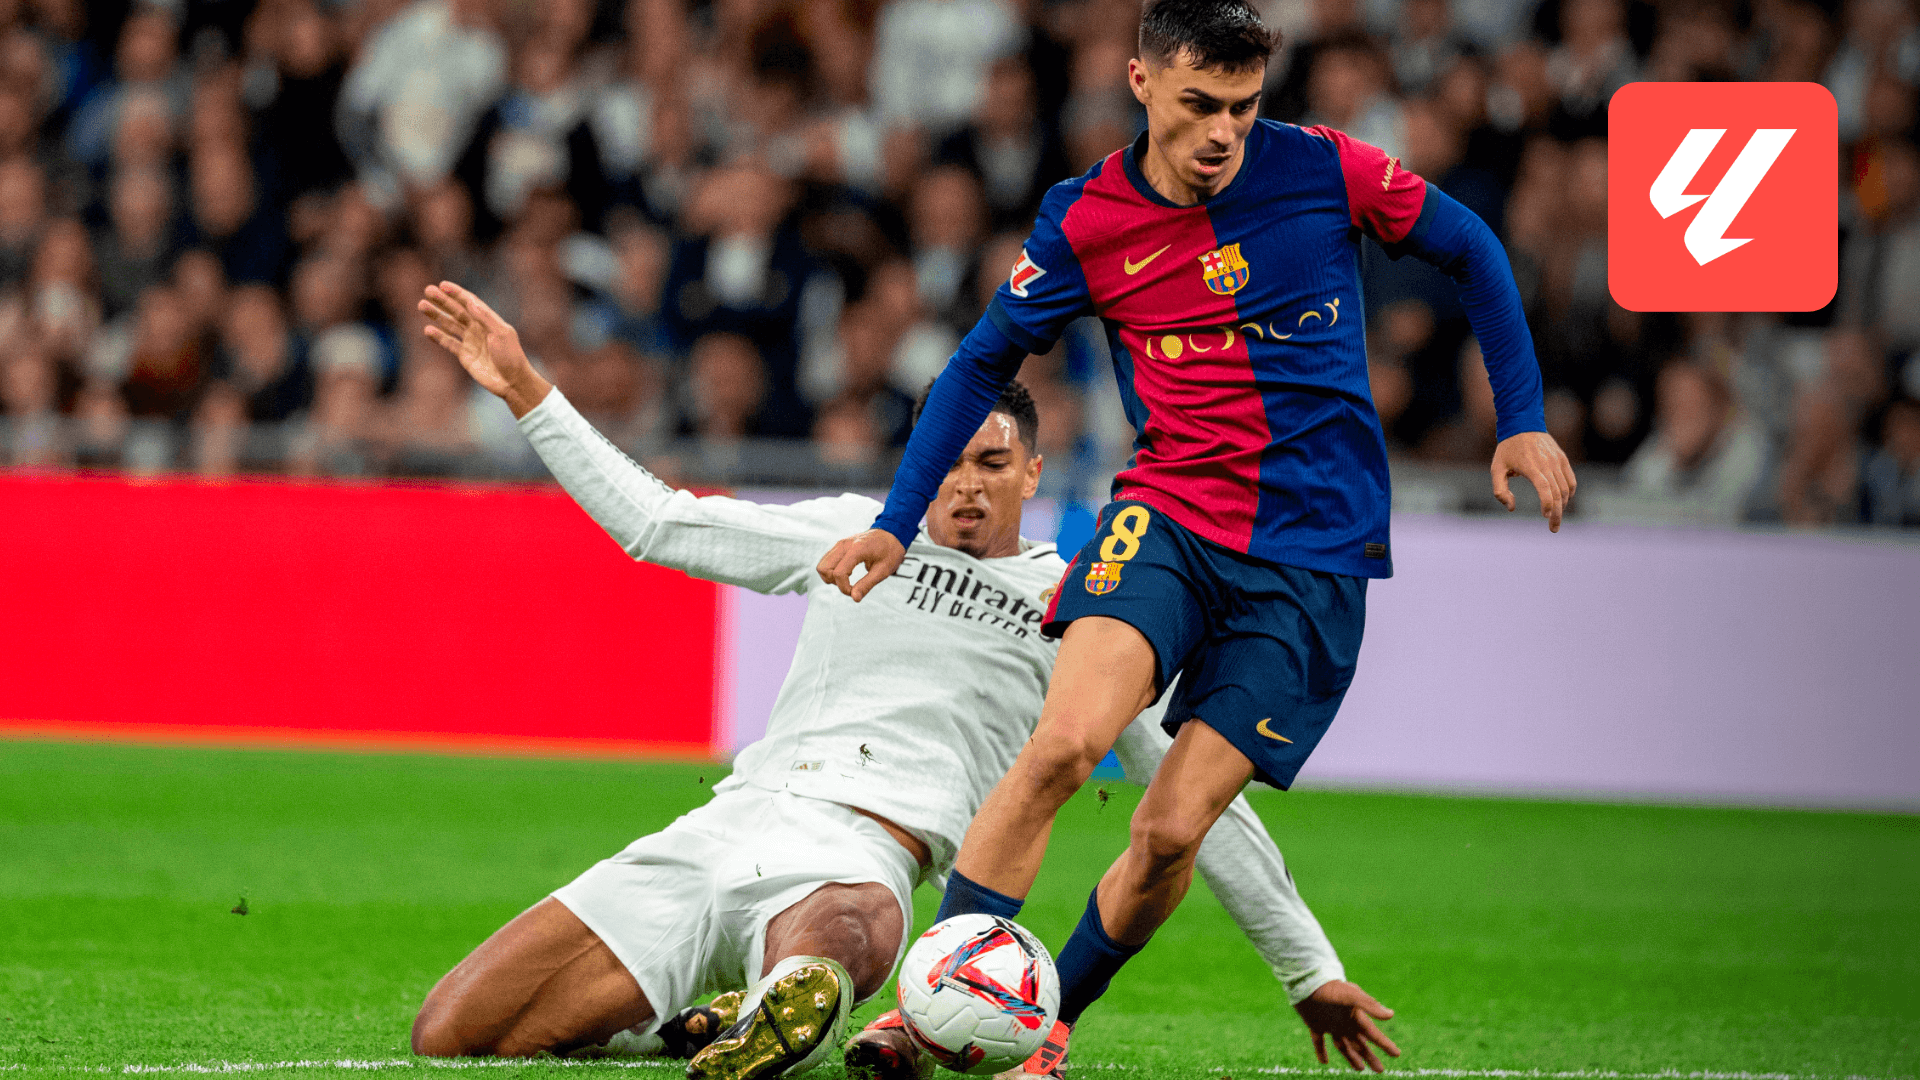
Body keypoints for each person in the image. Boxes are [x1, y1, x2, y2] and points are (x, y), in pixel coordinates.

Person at [815, 0, 1575, 1073]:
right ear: (1141, 83)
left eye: (1243, 106)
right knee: (1064, 746)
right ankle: (923, 1006)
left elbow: (1473, 248)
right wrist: (898, 522)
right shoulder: (1087, 220)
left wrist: (1522, 416)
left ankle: (1049, 1020)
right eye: (1200, 103)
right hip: (1168, 515)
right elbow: (982, 360)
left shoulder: (1326, 169)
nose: (1224, 131)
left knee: (1171, 832)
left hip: (1313, 554)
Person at [409, 281, 1398, 1078]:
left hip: (863, 853)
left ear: (1032, 474)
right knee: (451, 1032)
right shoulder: (852, 531)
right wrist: (526, 390)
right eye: (949, 462)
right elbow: (658, 523)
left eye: (992, 463)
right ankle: (705, 1026)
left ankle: (786, 1004)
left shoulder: (1086, 606)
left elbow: (1199, 807)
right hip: (730, 820)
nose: (966, 485)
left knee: (843, 936)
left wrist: (1307, 968)